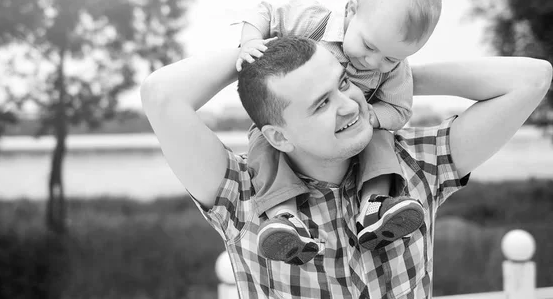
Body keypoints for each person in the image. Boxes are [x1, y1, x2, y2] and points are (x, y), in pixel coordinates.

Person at [140, 35, 551, 298]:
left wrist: (392, 77)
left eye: (341, 82)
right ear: (278, 136)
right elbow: (161, 96)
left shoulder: (416, 164)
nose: (349, 104)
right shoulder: (240, 193)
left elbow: (532, 78)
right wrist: (247, 51)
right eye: (321, 104)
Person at [235, 0, 442, 261]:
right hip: (288, 124)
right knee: (263, 144)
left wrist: (370, 116)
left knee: (379, 137)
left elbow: (400, 109)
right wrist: (250, 42)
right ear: (350, 11)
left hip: (355, 126)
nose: (373, 62)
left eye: (390, 58)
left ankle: (374, 206)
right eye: (369, 45)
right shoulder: (312, 20)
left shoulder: (395, 71)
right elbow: (265, 12)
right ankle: (284, 217)